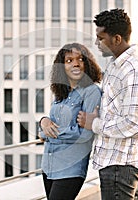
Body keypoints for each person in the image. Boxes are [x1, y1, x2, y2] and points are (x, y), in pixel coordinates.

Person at [77, 9, 138, 200]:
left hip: (122, 164)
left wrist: (93, 124)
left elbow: (134, 124)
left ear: (117, 39)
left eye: (100, 38)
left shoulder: (134, 71)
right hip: (112, 161)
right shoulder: (115, 64)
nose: (96, 43)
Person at [38, 43, 102, 200]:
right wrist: (43, 122)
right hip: (49, 166)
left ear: (87, 64)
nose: (75, 63)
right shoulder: (61, 93)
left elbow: (86, 134)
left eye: (80, 59)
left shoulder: (91, 91)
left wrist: (50, 132)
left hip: (70, 168)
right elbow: (48, 127)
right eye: (69, 60)